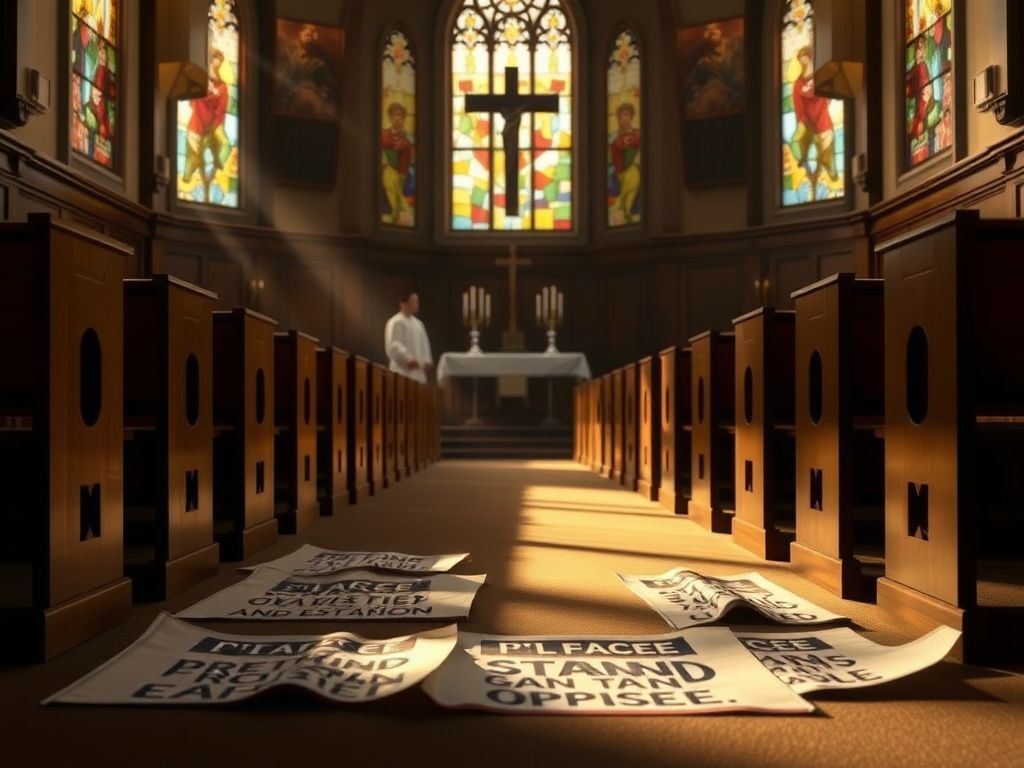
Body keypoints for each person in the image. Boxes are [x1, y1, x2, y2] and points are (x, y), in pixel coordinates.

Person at [790, 46, 838, 201]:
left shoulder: (820, 76)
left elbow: (828, 94)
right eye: (799, 58)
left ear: (809, 57)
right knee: (797, 141)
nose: (801, 60)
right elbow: (798, 106)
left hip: (822, 117)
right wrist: (802, 122)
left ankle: (826, 173)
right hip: (808, 122)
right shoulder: (798, 84)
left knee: (826, 149)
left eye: (802, 56)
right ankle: (807, 171)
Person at [183, 49, 230, 203]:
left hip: (211, 127)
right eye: (214, 60)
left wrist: (215, 124)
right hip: (196, 126)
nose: (216, 64)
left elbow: (221, 109)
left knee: (224, 145)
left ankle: (214, 170)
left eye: (219, 61)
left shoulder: (222, 87)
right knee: (193, 163)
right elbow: (192, 100)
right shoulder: (200, 81)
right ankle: (199, 183)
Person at [385, 291, 433, 384]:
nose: (416, 304)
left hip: (418, 372)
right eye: (413, 301)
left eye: (417, 301)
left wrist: (427, 360)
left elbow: (425, 344)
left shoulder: (418, 324)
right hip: (402, 370)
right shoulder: (396, 321)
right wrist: (408, 359)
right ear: (403, 303)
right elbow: (394, 345)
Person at [381, 102, 414, 225]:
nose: (397, 118)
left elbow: (407, 150)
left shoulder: (406, 137)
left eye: (400, 115)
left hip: (402, 172)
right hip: (388, 169)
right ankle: (402, 212)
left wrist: (402, 135)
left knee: (396, 192)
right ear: (390, 117)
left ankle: (396, 215)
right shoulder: (384, 134)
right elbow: (388, 145)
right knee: (391, 186)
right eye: (394, 115)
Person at [609, 102, 641, 224]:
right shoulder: (616, 139)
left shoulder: (638, 133)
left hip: (635, 168)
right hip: (620, 172)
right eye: (622, 116)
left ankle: (624, 209)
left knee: (634, 176)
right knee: (631, 178)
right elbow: (615, 158)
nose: (625, 118)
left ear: (631, 116)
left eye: (627, 114)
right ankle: (623, 209)